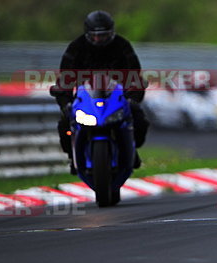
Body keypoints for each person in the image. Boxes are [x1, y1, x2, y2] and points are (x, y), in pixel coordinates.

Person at [52, 11, 149, 173]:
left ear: (111, 32)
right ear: (88, 34)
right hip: (86, 99)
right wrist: (65, 103)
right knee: (65, 124)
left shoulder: (122, 46)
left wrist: (133, 98)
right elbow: (65, 79)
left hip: (117, 98)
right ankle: (73, 155)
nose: (100, 39)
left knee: (139, 118)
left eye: (104, 35)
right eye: (96, 36)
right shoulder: (76, 47)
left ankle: (132, 150)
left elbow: (135, 75)